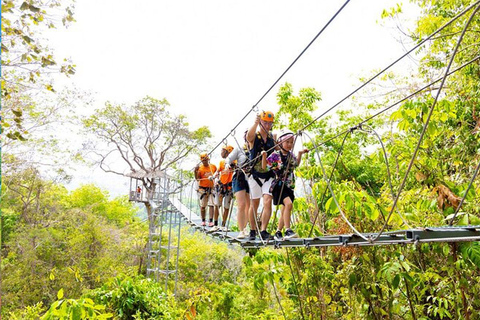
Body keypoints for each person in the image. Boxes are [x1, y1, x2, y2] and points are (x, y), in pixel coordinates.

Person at [262, 132, 308, 240]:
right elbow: (265, 167)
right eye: (287, 142)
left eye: (291, 142)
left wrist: (300, 154)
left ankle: (278, 232)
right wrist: (264, 156)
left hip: (289, 186)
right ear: (281, 142)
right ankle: (288, 230)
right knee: (289, 204)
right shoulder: (275, 155)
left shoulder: (290, 155)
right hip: (279, 186)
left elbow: (295, 164)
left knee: (285, 209)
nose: (289, 144)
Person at [246, 111, 277, 241]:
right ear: (261, 123)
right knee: (254, 204)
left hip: (268, 175)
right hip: (255, 175)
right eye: (265, 122)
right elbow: (249, 137)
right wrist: (255, 123)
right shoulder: (255, 136)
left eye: (270, 123)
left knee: (267, 201)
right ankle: (253, 230)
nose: (268, 125)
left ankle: (263, 230)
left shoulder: (272, 138)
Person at [225, 136, 251, 239]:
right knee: (241, 205)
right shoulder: (240, 149)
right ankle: (241, 230)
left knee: (249, 205)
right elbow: (228, 159)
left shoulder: (257, 149)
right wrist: (227, 165)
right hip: (240, 177)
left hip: (251, 178)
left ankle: (245, 228)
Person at [210, 145, 234, 232]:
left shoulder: (234, 162)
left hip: (229, 186)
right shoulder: (221, 163)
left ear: (228, 152)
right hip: (221, 186)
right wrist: (214, 176)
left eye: (223, 151)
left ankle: (223, 225)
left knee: (226, 206)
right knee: (217, 205)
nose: (221, 153)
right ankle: (216, 224)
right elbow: (218, 171)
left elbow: (234, 167)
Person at [194, 153, 217, 227]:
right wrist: (195, 171)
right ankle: (203, 220)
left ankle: (210, 221)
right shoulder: (200, 169)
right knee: (203, 206)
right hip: (203, 189)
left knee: (211, 204)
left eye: (206, 160)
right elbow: (197, 179)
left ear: (208, 160)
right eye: (203, 160)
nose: (205, 162)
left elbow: (217, 175)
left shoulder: (213, 167)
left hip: (211, 188)